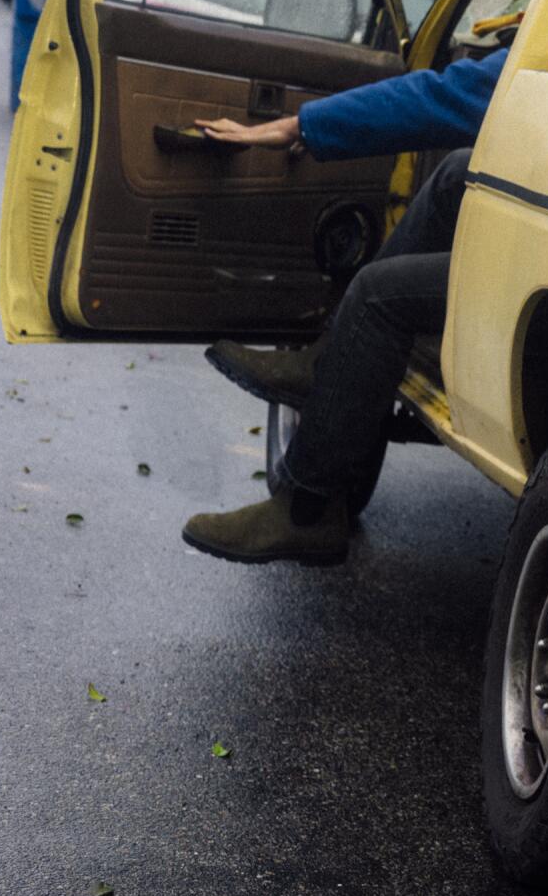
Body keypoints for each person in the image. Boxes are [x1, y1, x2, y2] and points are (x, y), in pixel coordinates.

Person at [181, 50, 503, 566]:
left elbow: (450, 93)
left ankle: (306, 509)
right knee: (457, 172)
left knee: (378, 296)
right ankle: (327, 362)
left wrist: (297, 127)